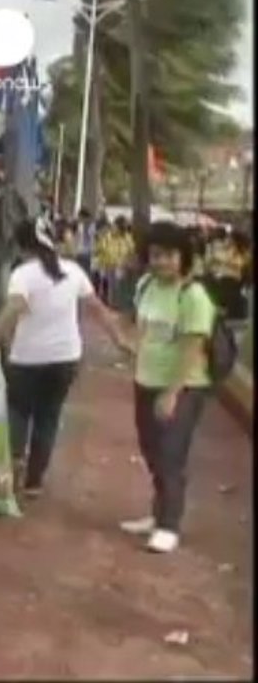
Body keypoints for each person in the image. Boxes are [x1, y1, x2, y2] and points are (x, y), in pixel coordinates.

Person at [0, 218, 130, 498]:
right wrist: (120, 339)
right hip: (65, 358)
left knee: (18, 413)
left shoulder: (23, 274)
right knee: (48, 417)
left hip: (27, 359)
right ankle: (34, 482)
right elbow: (97, 308)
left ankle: (15, 469)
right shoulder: (73, 271)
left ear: (21, 246)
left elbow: (14, 308)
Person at [119, 221, 220, 554]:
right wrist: (131, 346)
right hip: (145, 380)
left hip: (184, 387)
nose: (161, 262)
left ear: (183, 257)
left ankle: (169, 525)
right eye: (155, 255)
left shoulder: (193, 296)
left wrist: (172, 393)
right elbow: (139, 326)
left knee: (171, 454)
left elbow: (193, 348)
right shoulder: (146, 285)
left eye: (168, 255)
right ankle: (158, 513)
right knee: (151, 450)